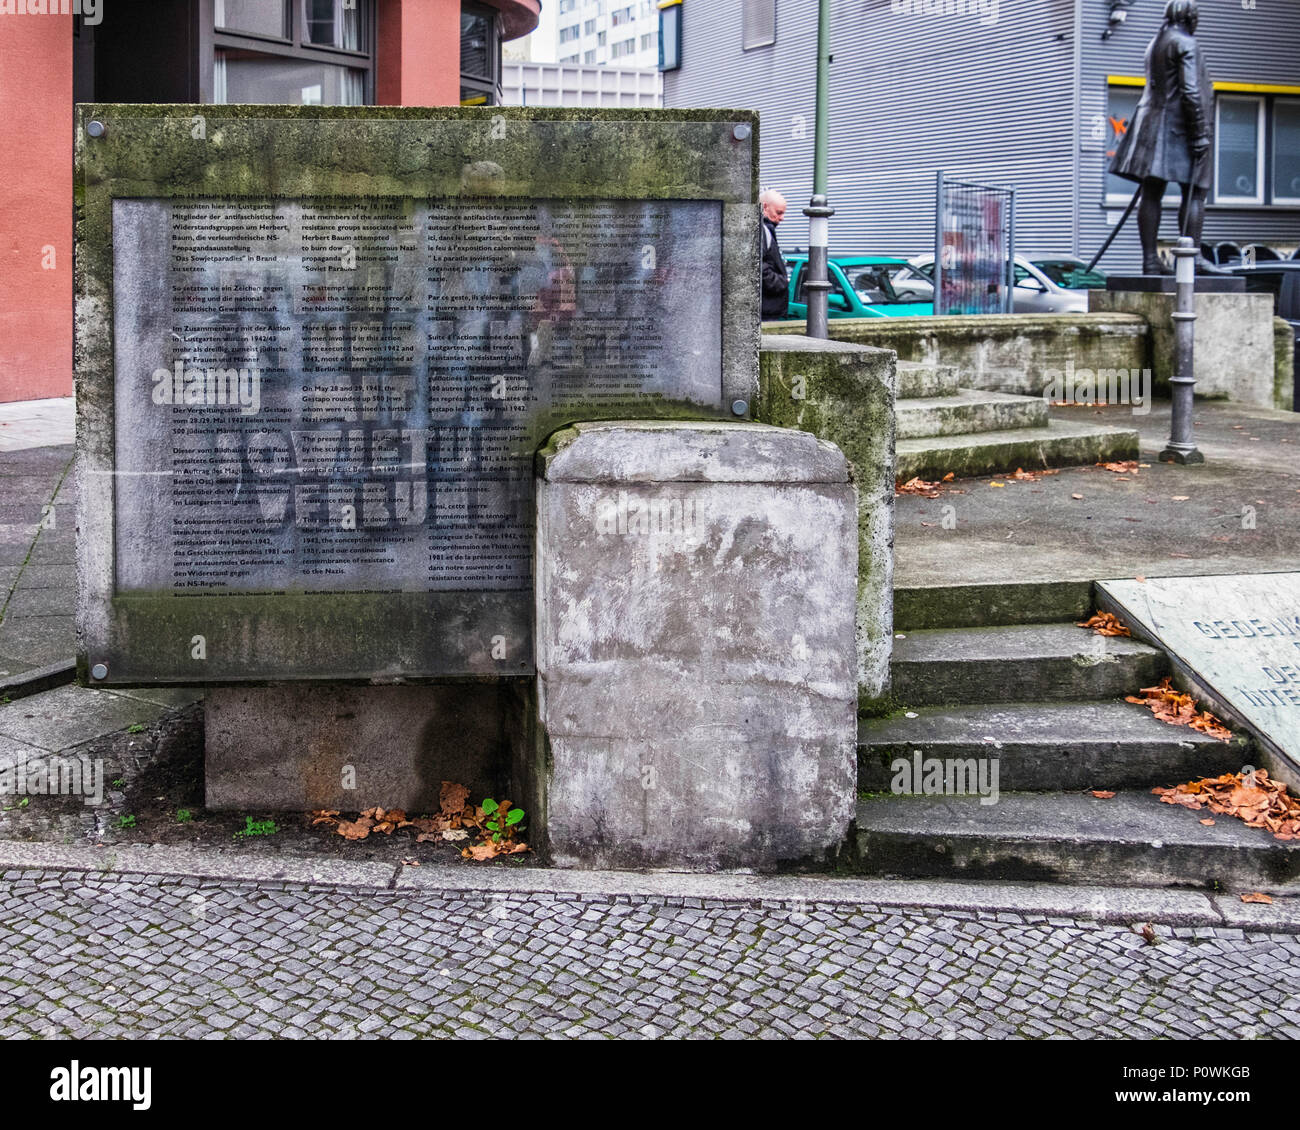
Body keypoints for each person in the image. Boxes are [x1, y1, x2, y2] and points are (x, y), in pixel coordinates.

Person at [1109, 0, 1222, 275]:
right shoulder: (1186, 43)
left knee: (1151, 192)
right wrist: (1199, 134)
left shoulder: (1154, 44)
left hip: (1151, 127)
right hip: (1179, 128)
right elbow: (1191, 91)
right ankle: (1192, 257)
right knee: (1196, 192)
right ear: (1189, 17)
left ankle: (1150, 260)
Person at [760, 189, 790, 319]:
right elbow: (758, 267)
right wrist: (782, 282)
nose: (782, 218)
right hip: (766, 312)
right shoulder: (761, 231)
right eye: (778, 212)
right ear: (765, 207)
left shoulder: (764, 231)